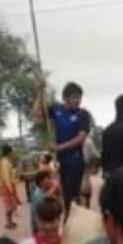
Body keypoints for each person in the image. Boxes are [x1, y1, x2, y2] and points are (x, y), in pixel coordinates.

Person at [39, 80, 92, 213]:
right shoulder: (57, 109)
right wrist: (39, 91)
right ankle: (69, 219)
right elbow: (38, 113)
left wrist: (59, 147)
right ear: (65, 98)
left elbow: (81, 138)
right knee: (64, 196)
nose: (78, 101)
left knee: (72, 197)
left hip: (75, 161)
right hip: (60, 162)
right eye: (75, 97)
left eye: (79, 97)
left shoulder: (83, 115)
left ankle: (74, 221)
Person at [0, 145, 21, 230]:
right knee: (9, 205)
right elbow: (6, 176)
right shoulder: (5, 162)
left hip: (8, 185)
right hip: (6, 185)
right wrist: (10, 189)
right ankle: (8, 222)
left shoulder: (6, 161)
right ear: (9, 152)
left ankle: (10, 221)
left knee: (11, 205)